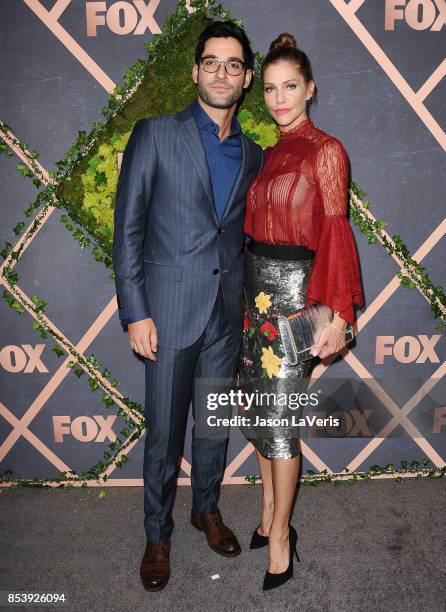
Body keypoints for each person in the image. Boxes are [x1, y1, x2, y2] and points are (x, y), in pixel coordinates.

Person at [112, 21, 263, 592]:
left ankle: (207, 510)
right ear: (195, 69)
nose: (221, 72)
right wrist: (136, 310)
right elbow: (127, 230)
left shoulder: (252, 153)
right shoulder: (154, 134)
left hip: (227, 312)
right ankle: (157, 535)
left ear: (246, 78)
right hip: (168, 313)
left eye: (233, 65)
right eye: (212, 62)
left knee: (213, 425)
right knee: (164, 434)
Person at [239, 33, 364, 590]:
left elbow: (335, 232)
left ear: (310, 89)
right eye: (269, 89)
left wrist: (336, 313)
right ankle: (268, 510)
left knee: (283, 425)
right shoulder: (267, 154)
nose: (279, 98)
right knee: (263, 417)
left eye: (289, 86)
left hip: (295, 300)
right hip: (255, 301)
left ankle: (284, 538)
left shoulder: (326, 150)